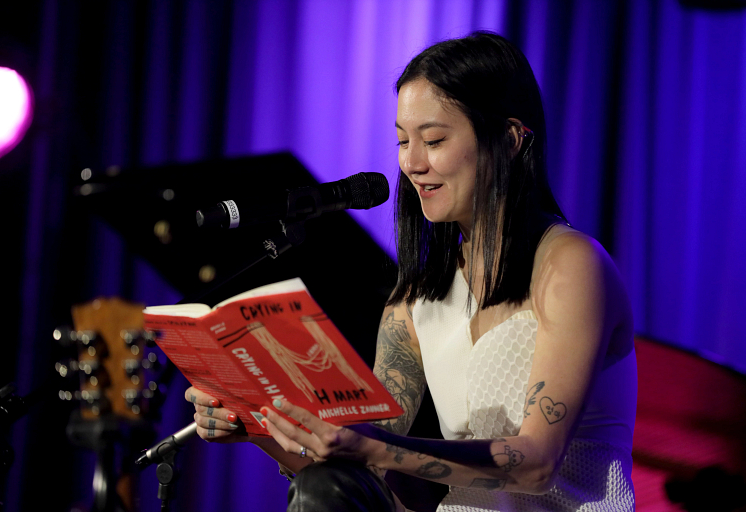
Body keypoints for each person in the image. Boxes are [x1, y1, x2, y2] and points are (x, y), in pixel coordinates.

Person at [184, 31, 637, 512]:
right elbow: (363, 469)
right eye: (403, 141)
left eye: (435, 140)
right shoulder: (414, 302)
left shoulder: (570, 265)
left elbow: (537, 463)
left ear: (508, 140)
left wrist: (370, 446)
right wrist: (256, 426)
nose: (413, 163)